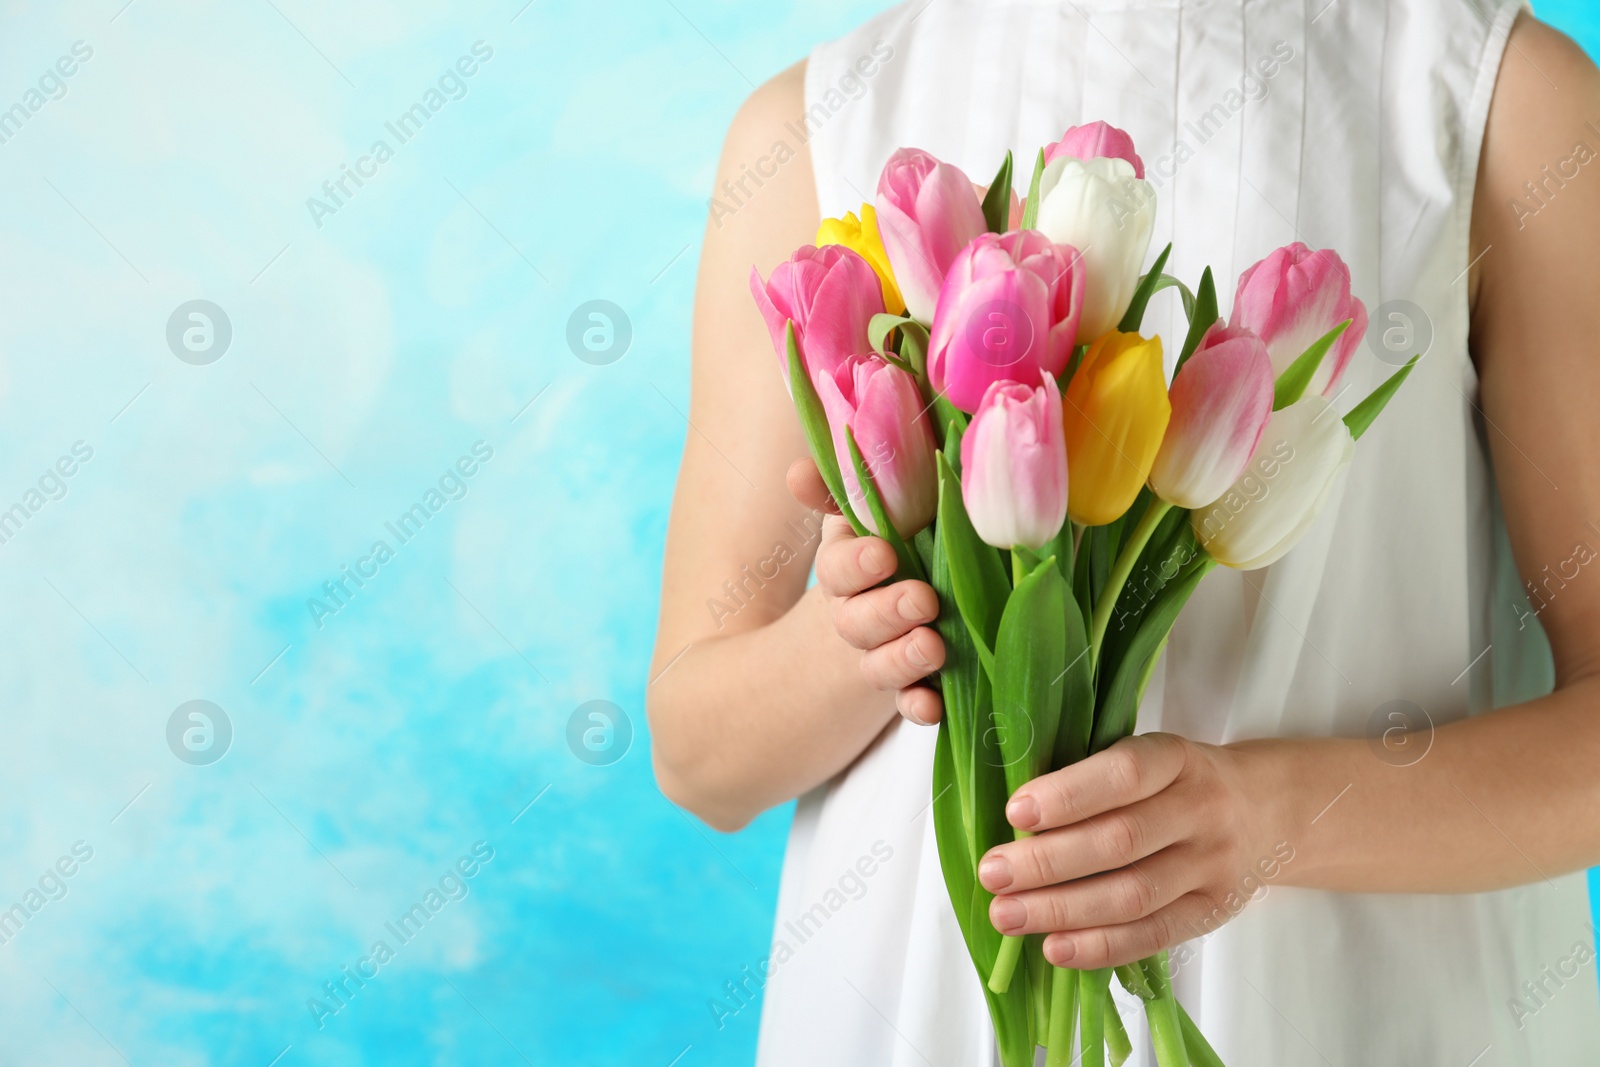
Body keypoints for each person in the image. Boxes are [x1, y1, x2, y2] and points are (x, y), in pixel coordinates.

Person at [648, 0, 1600, 1062]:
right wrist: (857, 636)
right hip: (909, 1015)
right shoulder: (815, 124)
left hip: (1360, 1014)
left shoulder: (1495, 100)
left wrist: (1272, 813)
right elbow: (698, 756)